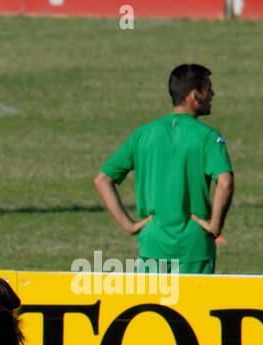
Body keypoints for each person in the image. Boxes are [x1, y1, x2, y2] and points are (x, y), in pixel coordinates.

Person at [94, 63, 234, 274]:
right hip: (194, 249)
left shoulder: (144, 134)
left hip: (153, 245)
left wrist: (128, 225)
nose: (213, 94)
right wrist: (215, 226)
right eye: (209, 88)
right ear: (194, 95)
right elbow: (225, 183)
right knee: (191, 307)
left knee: (154, 307)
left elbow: (102, 180)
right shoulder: (207, 137)